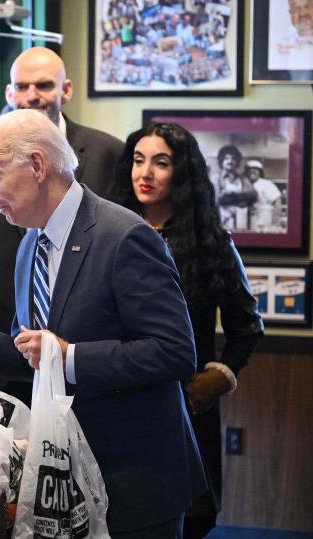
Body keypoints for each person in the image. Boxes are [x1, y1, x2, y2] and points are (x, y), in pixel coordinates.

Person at [0, 109, 206, 538]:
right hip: (65, 480)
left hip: (133, 480)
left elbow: (175, 353)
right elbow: (35, 350)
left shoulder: (124, 237)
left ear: (38, 166)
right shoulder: (31, 241)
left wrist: (72, 357)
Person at [0, 47, 123, 402]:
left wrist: (72, 354)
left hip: (86, 364)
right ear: (8, 92)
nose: (32, 95)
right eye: (22, 86)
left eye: (44, 85)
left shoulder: (108, 153)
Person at [108, 122, 264, 538]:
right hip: (113, 402)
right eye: (138, 161)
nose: (145, 173)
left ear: (183, 173)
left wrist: (218, 378)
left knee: (186, 520)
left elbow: (246, 326)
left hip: (183, 408)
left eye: (161, 163)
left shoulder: (212, 240)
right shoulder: (106, 235)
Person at [214, 145, 256, 230]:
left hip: (242, 219)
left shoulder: (243, 179)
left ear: (237, 161)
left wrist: (230, 196)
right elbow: (217, 199)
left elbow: (253, 195)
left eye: (233, 158)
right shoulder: (216, 179)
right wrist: (241, 198)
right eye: (226, 158)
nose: (230, 161)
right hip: (223, 219)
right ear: (221, 161)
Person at [245, 159, 283, 232]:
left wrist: (276, 223)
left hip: (265, 223)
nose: (252, 171)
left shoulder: (266, 184)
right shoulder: (244, 184)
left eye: (255, 169)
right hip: (249, 223)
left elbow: (277, 202)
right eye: (249, 169)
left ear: (260, 172)